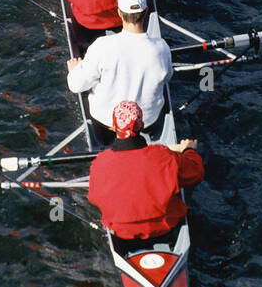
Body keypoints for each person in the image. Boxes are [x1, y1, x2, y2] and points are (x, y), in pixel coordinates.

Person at [87, 100, 204, 247]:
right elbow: (196, 174)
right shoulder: (163, 155)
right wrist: (189, 151)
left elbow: (93, 197)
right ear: (141, 126)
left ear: (114, 127)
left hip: (122, 234)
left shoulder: (99, 163)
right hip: (164, 230)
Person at [67, 0, 173, 143]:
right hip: (147, 120)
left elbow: (76, 86)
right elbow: (167, 78)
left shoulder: (102, 45)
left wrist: (75, 71)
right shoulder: (162, 47)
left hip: (105, 120)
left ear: (118, 12)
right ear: (146, 11)